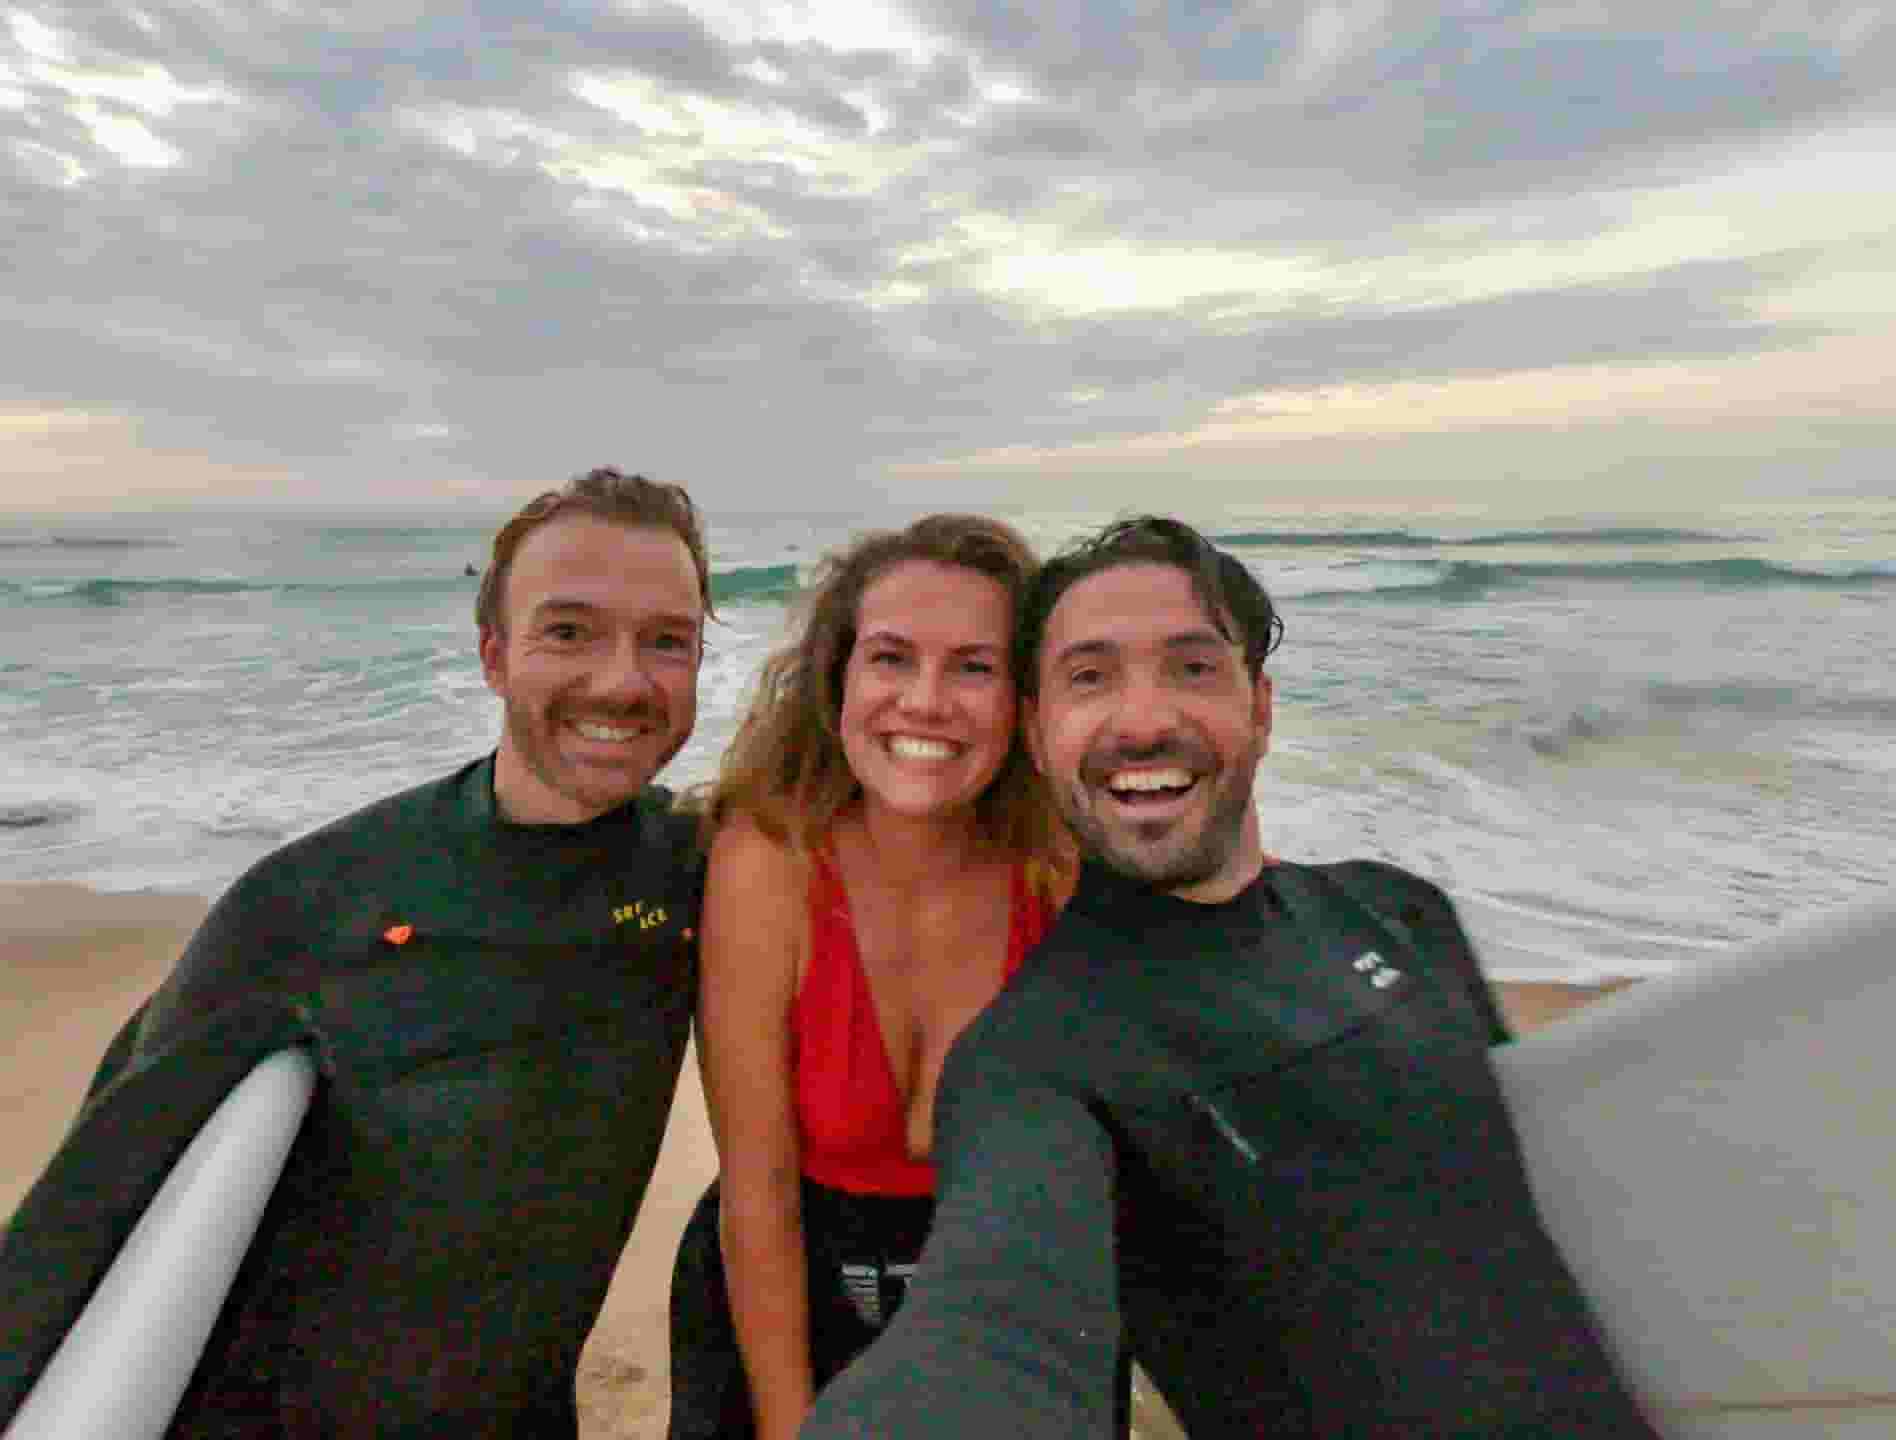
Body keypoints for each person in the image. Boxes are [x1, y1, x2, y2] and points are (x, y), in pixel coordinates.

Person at [801, 516, 1662, 1439]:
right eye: (1089, 678)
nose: (1144, 721)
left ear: (1260, 706)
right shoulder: (1033, 1060)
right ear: (1039, 736)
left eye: (1193, 666)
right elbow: (994, 1327)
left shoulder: (1403, 916)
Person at [1, 467, 712, 1436]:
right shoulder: (315, 901)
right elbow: (82, 1215)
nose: (622, 680)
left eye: (666, 641)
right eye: (569, 631)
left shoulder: (698, 873)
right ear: (494, 656)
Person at [666, 515, 1092, 1440]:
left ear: (1026, 697)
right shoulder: (768, 859)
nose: (926, 701)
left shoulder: (1060, 866)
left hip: (995, 1315)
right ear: (840, 677)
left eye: (974, 666)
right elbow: (760, 1187)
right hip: (783, 1309)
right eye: (891, 658)